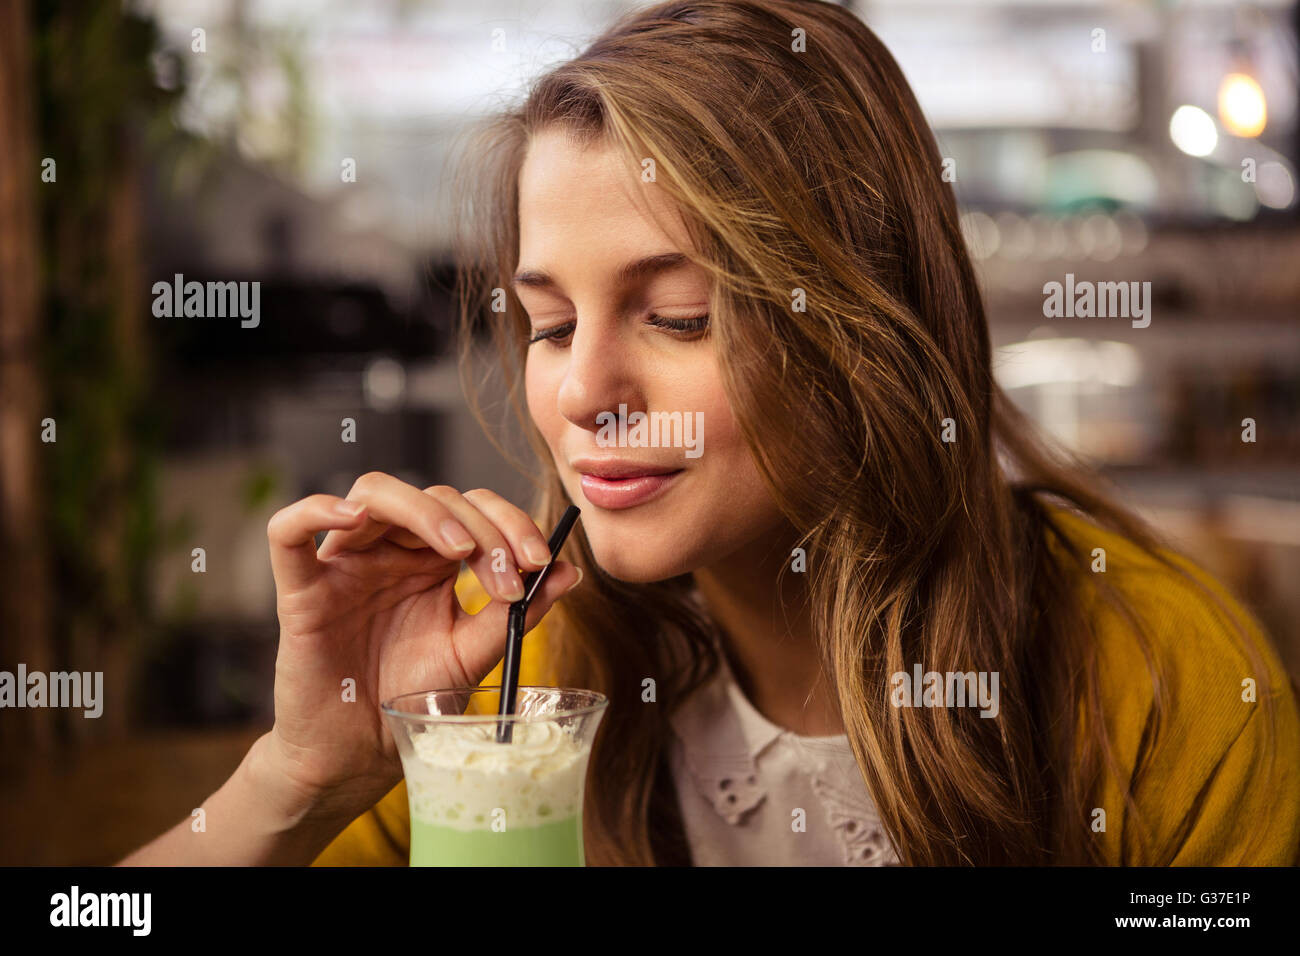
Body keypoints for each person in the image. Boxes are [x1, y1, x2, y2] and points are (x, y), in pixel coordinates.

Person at [121, 0, 1300, 867]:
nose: (584, 388)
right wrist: (296, 777)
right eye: (546, 322)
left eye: (677, 315)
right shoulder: (524, 683)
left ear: (862, 327)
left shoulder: (1153, 673)